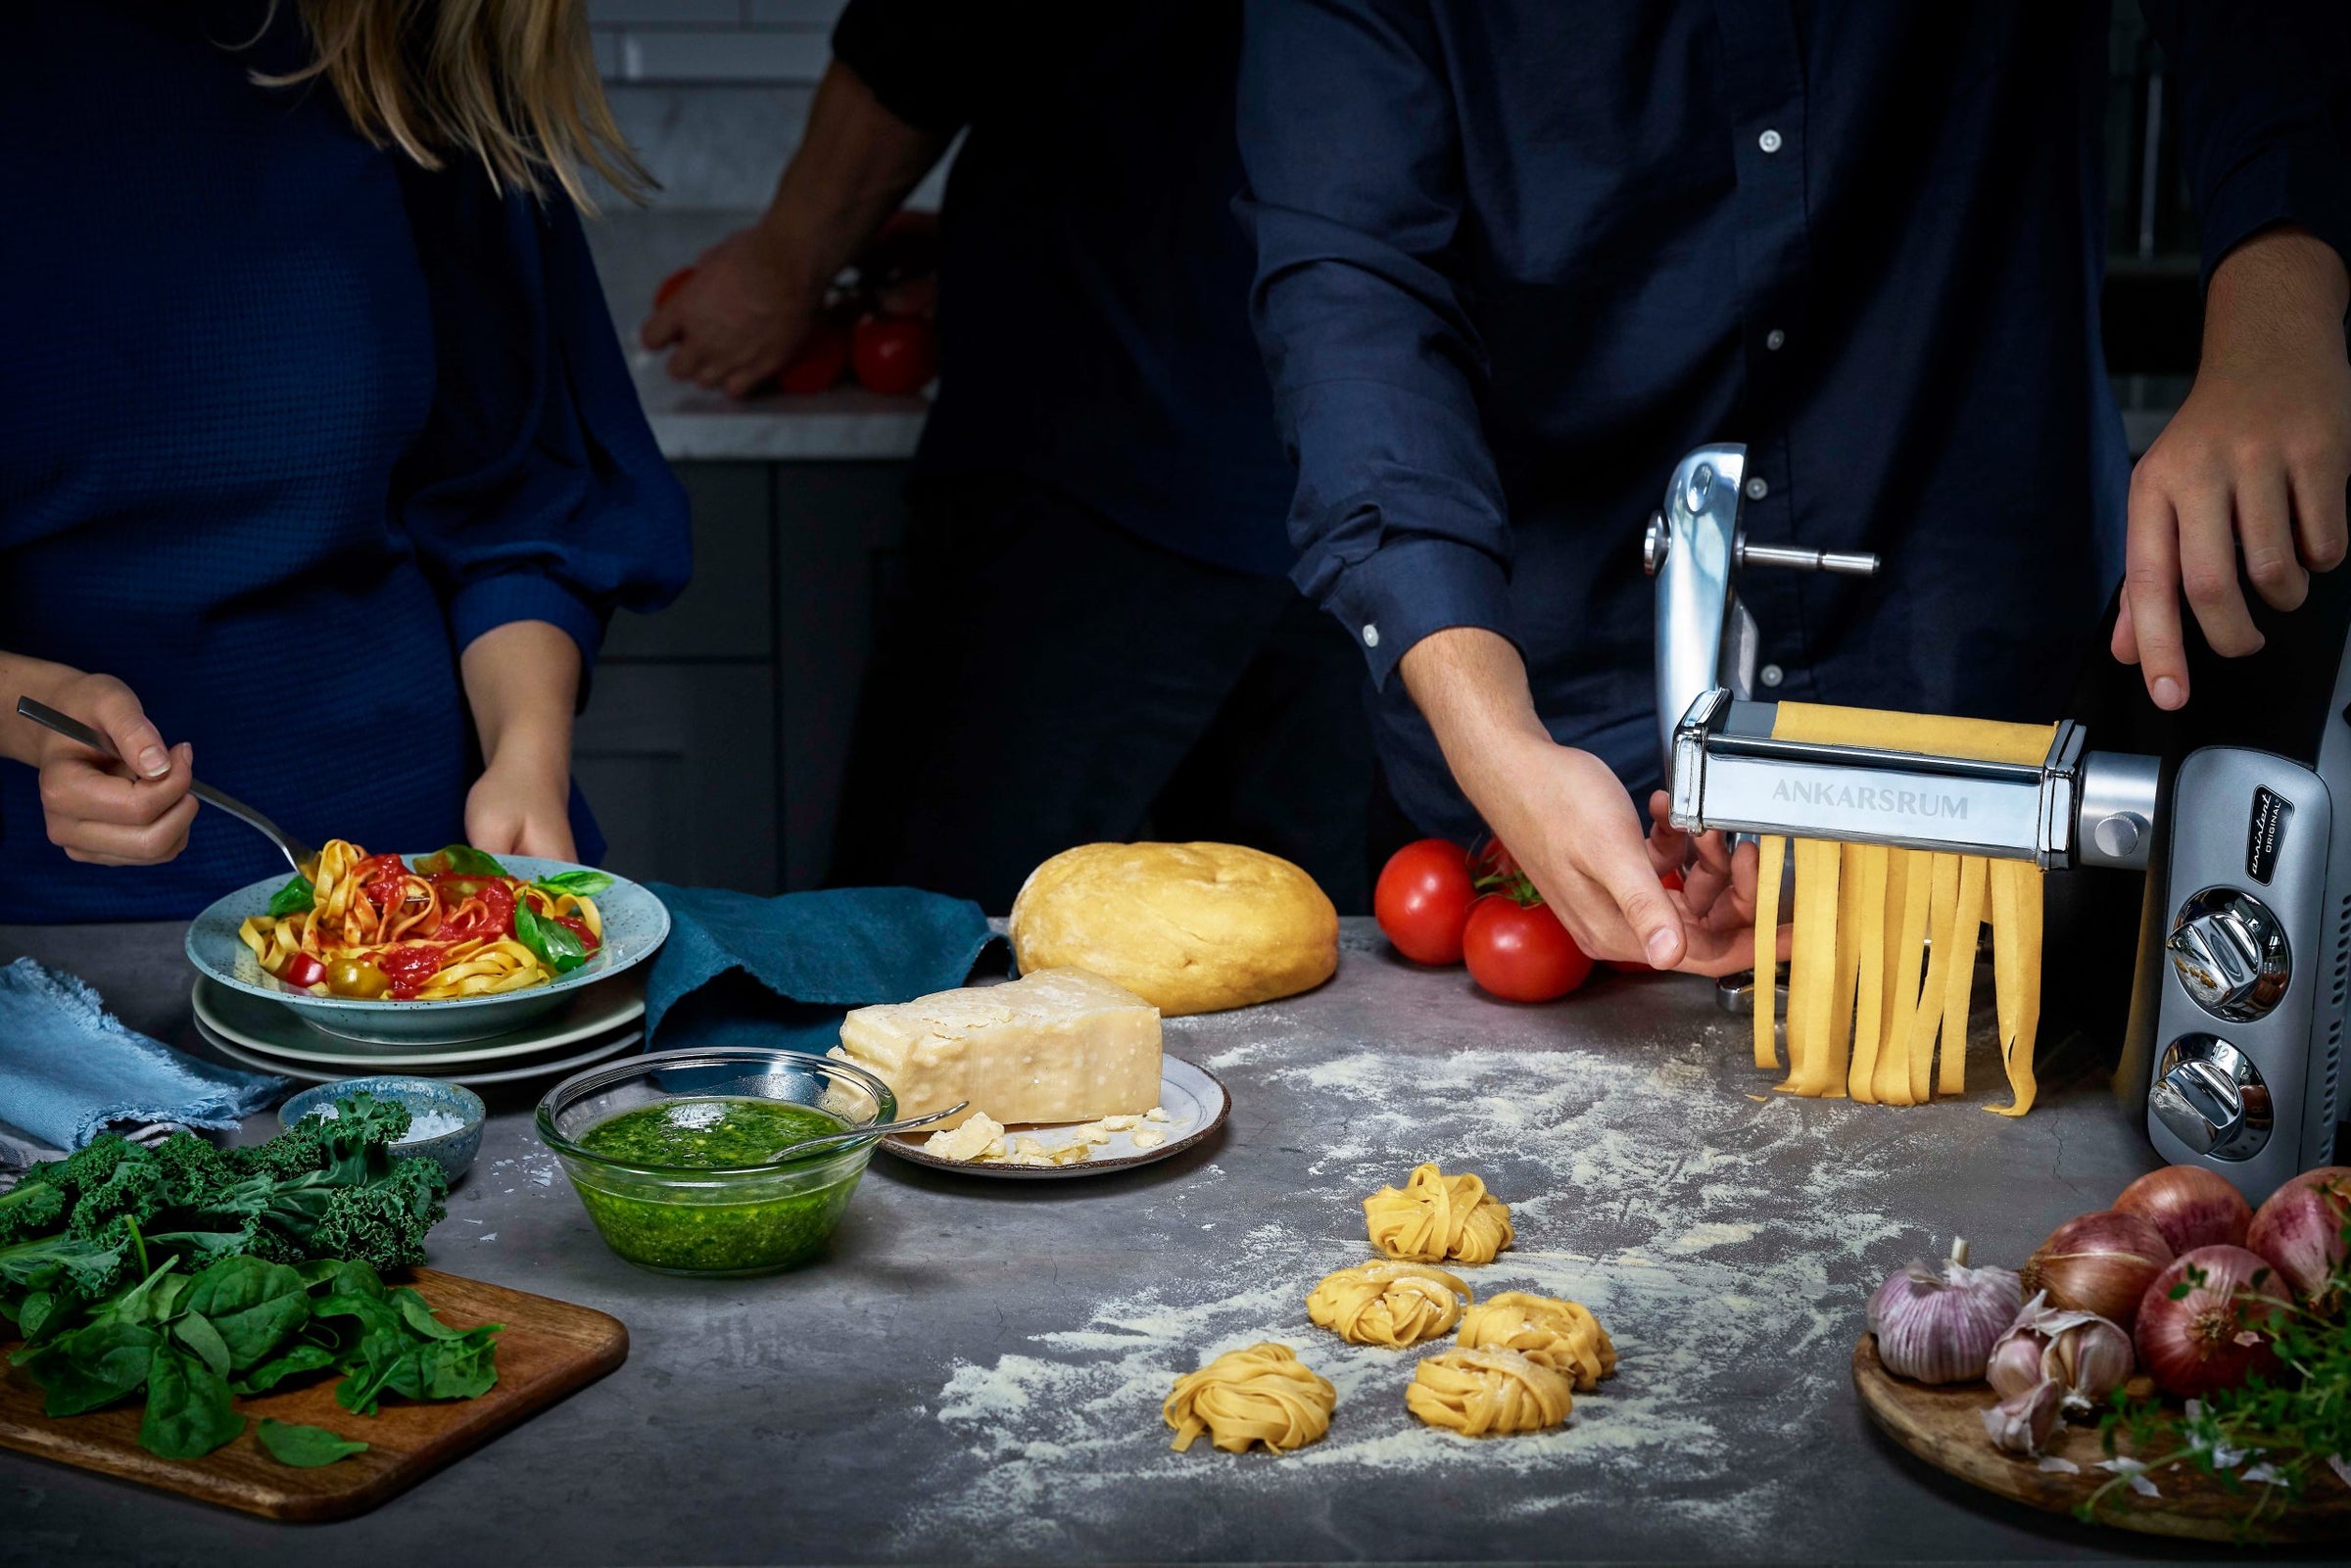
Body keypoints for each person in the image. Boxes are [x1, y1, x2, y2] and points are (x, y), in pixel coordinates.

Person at [1237, 1, 2351, 973]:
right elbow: (1351, 294)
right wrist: (1497, 740)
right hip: (1574, 753)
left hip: (1994, 704)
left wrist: (2280, 297)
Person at [642, 0, 1373, 914]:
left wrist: (786, 261)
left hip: (1105, 457)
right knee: (1296, 956)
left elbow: (919, 38)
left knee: (924, 943)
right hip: (1366, 463)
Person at [0, 0, 690, 922]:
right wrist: (29, 704)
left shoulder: (401, 46)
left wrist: (526, 753)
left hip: (433, 887)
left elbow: (513, 497)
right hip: (45, 939)